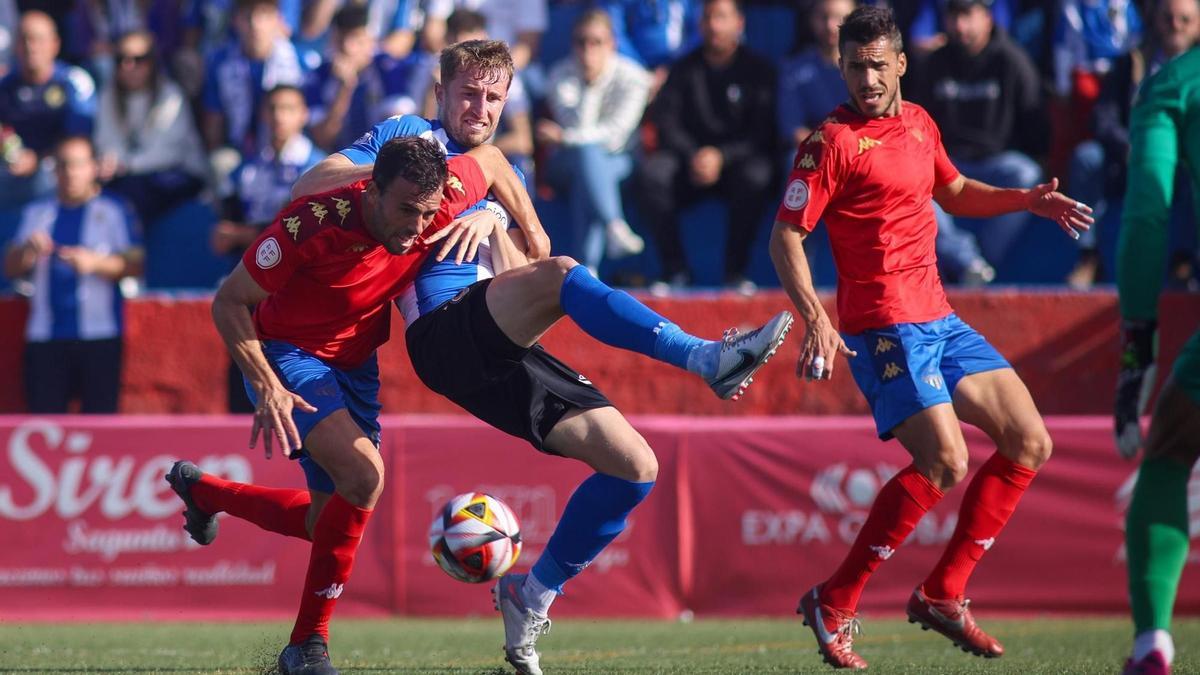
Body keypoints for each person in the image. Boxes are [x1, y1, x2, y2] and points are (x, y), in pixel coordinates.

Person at [293, 39, 795, 675]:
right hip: (442, 332)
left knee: (634, 466)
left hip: (496, 338)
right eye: (467, 94)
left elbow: (528, 269)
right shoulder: (410, 138)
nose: (479, 108)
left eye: (493, 98)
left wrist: (496, 222)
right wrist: (437, 189)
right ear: (439, 93)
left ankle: (530, 596)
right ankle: (705, 358)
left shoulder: (505, 171)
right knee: (562, 274)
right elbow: (310, 183)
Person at [768, 7, 1092, 669]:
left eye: (878, 65)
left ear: (901, 64)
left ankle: (944, 592)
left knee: (1031, 440)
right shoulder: (829, 142)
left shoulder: (918, 123)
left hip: (940, 319)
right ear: (841, 65)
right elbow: (786, 235)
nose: (866, 78)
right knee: (945, 461)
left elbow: (956, 190)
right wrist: (817, 319)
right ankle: (836, 599)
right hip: (884, 325)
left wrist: (1024, 199)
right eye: (855, 65)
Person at [169, 136, 534, 675]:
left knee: (327, 522)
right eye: (405, 210)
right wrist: (264, 383)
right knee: (365, 477)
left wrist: (511, 221)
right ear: (372, 190)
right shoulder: (311, 223)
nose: (416, 227)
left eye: (428, 213)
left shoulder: (443, 195)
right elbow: (229, 301)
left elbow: (494, 160)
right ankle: (306, 646)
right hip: (288, 358)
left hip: (356, 365)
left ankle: (203, 491)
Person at [1113, 43, 1200, 675]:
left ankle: (1153, 645)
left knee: (1169, 451)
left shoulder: (1173, 84)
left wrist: (1137, 346)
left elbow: (1146, 214)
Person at [637, 0, 778, 294]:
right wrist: (695, 156)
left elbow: (762, 133)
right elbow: (667, 123)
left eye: (722, 17)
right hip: (691, 164)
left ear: (739, 23)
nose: (714, 25)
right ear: (699, 24)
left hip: (736, 164)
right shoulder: (683, 69)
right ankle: (675, 271)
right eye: (708, 18)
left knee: (758, 175)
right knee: (652, 175)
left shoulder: (759, 70)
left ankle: (734, 273)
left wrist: (722, 156)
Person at [906, 0, 1047, 283]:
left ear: (987, 17)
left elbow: (1037, 129)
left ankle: (978, 260)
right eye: (954, 17)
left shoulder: (1012, 61)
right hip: (948, 163)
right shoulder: (934, 63)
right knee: (913, 182)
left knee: (1027, 173)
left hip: (997, 161)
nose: (961, 26)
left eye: (968, 16)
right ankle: (967, 259)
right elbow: (914, 126)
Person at [3, 136, 143, 414]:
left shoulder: (114, 211)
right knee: (45, 426)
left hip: (100, 336)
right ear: (54, 170)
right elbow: (10, 267)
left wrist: (95, 264)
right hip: (44, 336)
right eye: (64, 165)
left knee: (102, 427)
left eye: (78, 164)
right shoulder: (36, 213)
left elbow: (135, 265)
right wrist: (27, 251)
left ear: (93, 167)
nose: (71, 173)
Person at [1066, 0, 1200, 288]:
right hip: (1130, 158)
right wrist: (1130, 146)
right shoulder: (1133, 62)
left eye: (1184, 19)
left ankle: (1185, 261)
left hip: (1184, 164)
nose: (1175, 26)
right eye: (1168, 18)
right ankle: (1089, 256)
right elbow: (1103, 118)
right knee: (1087, 158)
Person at [540, 8, 651, 273]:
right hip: (565, 163)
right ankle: (614, 225)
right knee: (586, 158)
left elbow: (616, 135)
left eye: (597, 42)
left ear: (611, 43)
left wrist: (565, 137)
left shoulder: (634, 77)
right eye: (581, 41)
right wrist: (590, 84)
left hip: (620, 160)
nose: (588, 49)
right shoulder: (559, 75)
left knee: (587, 172)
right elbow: (579, 126)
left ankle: (587, 266)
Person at [94, 30, 207, 225]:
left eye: (139, 59)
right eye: (121, 59)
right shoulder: (108, 97)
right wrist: (116, 162)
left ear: (152, 63)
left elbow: (168, 153)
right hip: (130, 176)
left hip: (178, 174)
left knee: (134, 193)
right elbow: (106, 142)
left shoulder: (171, 95)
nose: (128, 66)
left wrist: (125, 164)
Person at [0, 11, 96, 210]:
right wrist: (11, 152)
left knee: (51, 176)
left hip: (55, 168)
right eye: (25, 39)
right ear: (16, 46)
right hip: (12, 169)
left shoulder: (74, 82)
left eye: (39, 40)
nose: (31, 47)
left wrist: (37, 159)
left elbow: (78, 140)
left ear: (55, 44)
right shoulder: (6, 86)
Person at [303, 3, 418, 152]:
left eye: (357, 39)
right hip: (336, 160)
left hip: (381, 159)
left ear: (370, 40)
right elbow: (322, 138)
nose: (347, 48)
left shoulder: (387, 68)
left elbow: (401, 130)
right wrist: (344, 89)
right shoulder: (320, 75)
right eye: (341, 39)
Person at [201, 0, 304, 158]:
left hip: (287, 152)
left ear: (278, 19)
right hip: (238, 150)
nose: (255, 24)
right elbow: (214, 118)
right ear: (235, 20)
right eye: (247, 15)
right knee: (220, 164)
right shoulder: (220, 63)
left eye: (264, 15)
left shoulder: (299, 62)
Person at [777, 0, 856, 152]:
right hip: (814, 150)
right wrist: (827, 149)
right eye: (824, 17)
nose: (830, 26)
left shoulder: (868, 67)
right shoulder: (793, 70)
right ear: (812, 19)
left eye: (839, 17)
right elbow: (792, 127)